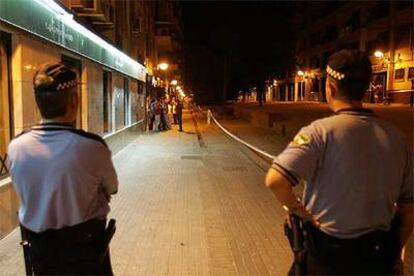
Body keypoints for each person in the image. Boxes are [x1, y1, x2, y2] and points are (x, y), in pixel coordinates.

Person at [265, 50, 413, 275]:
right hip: (376, 258)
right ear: (366, 88)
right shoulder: (398, 139)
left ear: (330, 89)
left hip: (326, 257)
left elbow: (275, 180)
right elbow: (408, 210)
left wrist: (299, 210)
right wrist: (394, 255)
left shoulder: (318, 133)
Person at [7, 63, 118, 275]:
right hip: (87, 256)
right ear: (74, 100)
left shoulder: (15, 147)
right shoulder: (92, 146)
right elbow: (112, 188)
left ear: (38, 102)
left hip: (40, 257)